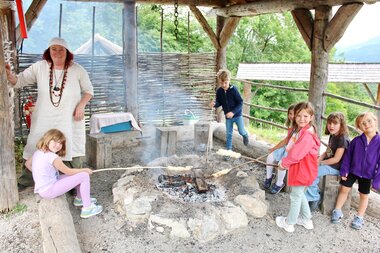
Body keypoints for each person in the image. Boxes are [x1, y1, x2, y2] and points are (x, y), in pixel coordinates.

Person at [5, 37, 94, 190]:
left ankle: (73, 184)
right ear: (48, 51)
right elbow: (19, 81)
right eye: (54, 49)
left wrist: (81, 106)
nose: (57, 53)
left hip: (69, 117)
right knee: (37, 143)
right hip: (44, 117)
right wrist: (8, 74)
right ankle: (28, 180)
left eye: (61, 50)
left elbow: (89, 91)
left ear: (67, 53)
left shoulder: (78, 69)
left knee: (70, 145)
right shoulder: (40, 67)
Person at [26, 129, 102, 218]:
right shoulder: (53, 157)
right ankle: (87, 209)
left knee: (78, 176)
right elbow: (68, 171)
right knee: (84, 176)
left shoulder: (38, 152)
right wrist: (85, 170)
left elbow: (27, 164)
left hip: (46, 187)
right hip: (49, 190)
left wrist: (40, 174)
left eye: (60, 143)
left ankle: (80, 199)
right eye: (55, 141)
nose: (58, 145)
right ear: (47, 139)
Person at [275, 102, 320, 233]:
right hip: (306, 169)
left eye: (305, 116)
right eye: (298, 115)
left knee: (295, 197)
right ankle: (307, 220)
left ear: (311, 117)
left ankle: (289, 223)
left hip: (302, 170)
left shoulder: (306, 135)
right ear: (294, 117)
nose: (301, 119)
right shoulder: (303, 131)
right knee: (301, 194)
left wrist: (284, 163)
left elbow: (296, 154)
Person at [331, 112, 380, 230]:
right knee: (344, 189)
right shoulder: (356, 141)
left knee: (364, 196)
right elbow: (347, 156)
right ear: (359, 127)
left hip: (368, 174)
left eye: (369, 121)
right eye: (362, 123)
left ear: (375, 121)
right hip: (352, 170)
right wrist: (344, 170)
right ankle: (337, 210)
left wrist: (377, 182)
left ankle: (359, 217)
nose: (366, 124)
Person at [305, 112, 350, 211]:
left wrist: (320, 163)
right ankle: (314, 192)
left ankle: (315, 198)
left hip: (337, 167)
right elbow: (328, 151)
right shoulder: (333, 135)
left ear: (341, 125)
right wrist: (319, 159)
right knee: (308, 168)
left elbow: (336, 159)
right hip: (329, 164)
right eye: (329, 123)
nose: (331, 126)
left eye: (335, 123)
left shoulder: (342, 139)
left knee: (312, 173)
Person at [211, 69, 249, 154]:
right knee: (229, 134)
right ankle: (228, 151)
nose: (224, 85)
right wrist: (214, 104)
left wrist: (233, 112)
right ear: (219, 81)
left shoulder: (234, 90)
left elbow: (240, 102)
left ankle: (245, 135)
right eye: (221, 83)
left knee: (241, 130)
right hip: (228, 117)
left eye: (225, 83)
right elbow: (219, 102)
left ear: (229, 81)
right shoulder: (219, 91)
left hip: (237, 115)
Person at [264, 104, 295, 194]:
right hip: (286, 147)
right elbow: (286, 140)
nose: (292, 116)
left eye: (294, 114)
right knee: (270, 157)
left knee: (282, 163)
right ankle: (269, 177)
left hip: (293, 150)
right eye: (290, 113)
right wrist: (274, 148)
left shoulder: (300, 128)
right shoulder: (291, 126)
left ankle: (279, 183)